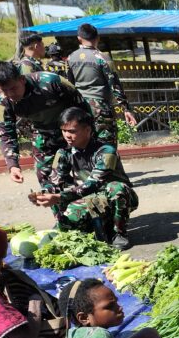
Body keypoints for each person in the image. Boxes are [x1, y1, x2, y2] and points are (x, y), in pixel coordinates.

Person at [28, 107, 138, 250]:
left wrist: (60, 197)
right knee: (57, 199)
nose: (67, 135)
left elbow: (95, 183)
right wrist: (43, 194)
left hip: (113, 197)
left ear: (87, 130)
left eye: (72, 131)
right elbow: (55, 180)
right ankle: (65, 223)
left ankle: (119, 233)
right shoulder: (61, 153)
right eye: (64, 130)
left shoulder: (107, 151)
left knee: (117, 188)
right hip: (89, 199)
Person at [0, 61, 91, 186]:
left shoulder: (51, 81)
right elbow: (6, 133)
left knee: (89, 177)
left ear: (22, 79)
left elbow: (82, 107)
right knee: (47, 180)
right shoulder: (2, 102)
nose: (10, 94)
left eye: (13, 88)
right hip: (44, 135)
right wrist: (13, 165)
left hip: (73, 132)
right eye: (4, 90)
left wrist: (87, 137)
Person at [66, 23, 137, 148]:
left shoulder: (71, 58)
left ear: (79, 38)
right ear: (97, 38)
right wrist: (126, 108)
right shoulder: (103, 58)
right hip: (101, 108)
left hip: (80, 109)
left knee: (85, 144)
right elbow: (114, 84)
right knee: (107, 146)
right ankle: (108, 167)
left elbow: (70, 85)